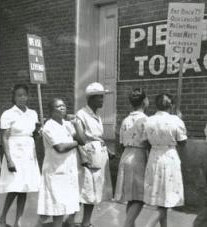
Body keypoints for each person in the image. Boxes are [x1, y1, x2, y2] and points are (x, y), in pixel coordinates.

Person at [35, 98, 84, 227]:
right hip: (55, 170)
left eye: (64, 106)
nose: (62, 108)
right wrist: (76, 143)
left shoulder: (67, 124)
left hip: (68, 169)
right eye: (58, 106)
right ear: (51, 110)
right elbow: (60, 148)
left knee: (59, 206)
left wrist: (76, 123)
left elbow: (82, 139)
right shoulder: (48, 127)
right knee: (57, 207)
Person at [0, 84, 41, 227]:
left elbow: (34, 135)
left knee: (24, 188)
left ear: (28, 96)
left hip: (28, 153)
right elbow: (4, 138)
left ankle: (18, 221)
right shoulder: (8, 114)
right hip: (15, 152)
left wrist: (38, 132)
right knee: (14, 187)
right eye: (18, 95)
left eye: (24, 95)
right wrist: (9, 159)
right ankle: (2, 217)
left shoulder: (33, 113)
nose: (22, 98)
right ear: (14, 97)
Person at [143, 93, 187, 227]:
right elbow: (183, 142)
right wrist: (179, 120)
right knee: (166, 201)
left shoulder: (148, 120)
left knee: (161, 200)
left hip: (154, 158)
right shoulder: (176, 120)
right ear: (171, 105)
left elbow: (146, 142)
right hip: (169, 158)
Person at [75, 82, 113, 227]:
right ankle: (69, 220)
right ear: (91, 98)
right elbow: (78, 137)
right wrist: (83, 156)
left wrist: (107, 150)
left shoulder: (96, 115)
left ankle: (86, 222)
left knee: (94, 189)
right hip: (87, 154)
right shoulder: (81, 115)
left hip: (99, 155)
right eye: (100, 97)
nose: (102, 100)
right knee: (84, 188)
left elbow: (97, 136)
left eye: (103, 97)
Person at [114, 88, 149, 227]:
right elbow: (148, 142)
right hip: (138, 157)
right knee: (140, 198)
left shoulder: (125, 120)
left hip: (126, 156)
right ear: (145, 101)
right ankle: (127, 225)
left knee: (131, 197)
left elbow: (121, 142)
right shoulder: (146, 120)